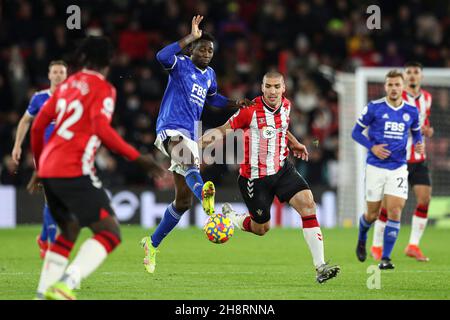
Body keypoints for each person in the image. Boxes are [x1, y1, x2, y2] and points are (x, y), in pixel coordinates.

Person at [30, 36, 163, 300]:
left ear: (83, 59)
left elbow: (37, 127)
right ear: (108, 61)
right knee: (110, 233)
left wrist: (38, 165)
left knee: (69, 229)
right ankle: (66, 283)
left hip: (49, 169)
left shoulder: (66, 86)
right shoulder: (104, 88)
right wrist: (137, 157)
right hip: (74, 170)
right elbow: (101, 129)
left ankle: (42, 293)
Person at [200, 71, 340, 284]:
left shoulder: (286, 105)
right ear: (262, 88)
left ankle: (320, 267)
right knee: (261, 228)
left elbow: (281, 127)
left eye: (277, 87)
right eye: (268, 86)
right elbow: (223, 130)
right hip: (254, 179)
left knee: (308, 204)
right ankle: (232, 217)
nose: (272, 91)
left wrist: (294, 143)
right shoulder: (249, 111)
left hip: (283, 169)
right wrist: (195, 145)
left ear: (284, 88)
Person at [140, 15, 252, 274]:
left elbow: (214, 99)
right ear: (192, 50)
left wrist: (236, 103)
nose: (207, 53)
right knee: (189, 161)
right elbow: (160, 56)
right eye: (202, 48)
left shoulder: (210, 75)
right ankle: (206, 198)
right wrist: (190, 36)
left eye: (210, 50)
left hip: (191, 135)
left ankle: (152, 243)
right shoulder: (179, 64)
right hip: (169, 128)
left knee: (182, 203)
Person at [352, 70, 424, 270]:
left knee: (394, 210)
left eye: (397, 85)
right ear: (385, 87)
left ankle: (386, 257)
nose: (393, 88)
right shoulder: (374, 108)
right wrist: (372, 146)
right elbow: (355, 133)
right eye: (390, 85)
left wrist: (419, 144)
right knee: (372, 215)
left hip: (399, 168)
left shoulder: (411, 111)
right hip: (375, 167)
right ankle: (362, 236)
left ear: (403, 87)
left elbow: (417, 134)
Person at [370, 62, 433, 262]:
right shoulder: (396, 99)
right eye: (409, 72)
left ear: (421, 76)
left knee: (425, 199)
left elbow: (424, 123)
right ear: (404, 77)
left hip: (418, 159)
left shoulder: (427, 99)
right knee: (390, 208)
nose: (413, 76)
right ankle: (376, 246)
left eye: (416, 72)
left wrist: (427, 131)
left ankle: (413, 245)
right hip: (398, 160)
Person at [11, 60, 67, 259]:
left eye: (62, 71)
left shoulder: (73, 98)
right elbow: (25, 121)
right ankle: (51, 244)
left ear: (66, 75)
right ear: (49, 75)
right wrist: (17, 145)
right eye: (55, 72)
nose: (58, 75)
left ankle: (44, 238)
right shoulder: (39, 98)